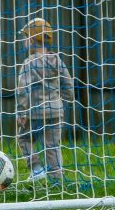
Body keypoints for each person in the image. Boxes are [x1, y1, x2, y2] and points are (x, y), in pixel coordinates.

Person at [16, 17, 74, 182]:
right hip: (56, 111)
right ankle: (57, 177)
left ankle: (36, 169)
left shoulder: (29, 63)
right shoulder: (57, 60)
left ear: (33, 39)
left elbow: (23, 90)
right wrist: (67, 99)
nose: (24, 40)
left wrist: (21, 112)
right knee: (52, 146)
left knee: (24, 138)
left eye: (26, 36)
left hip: (34, 113)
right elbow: (67, 83)